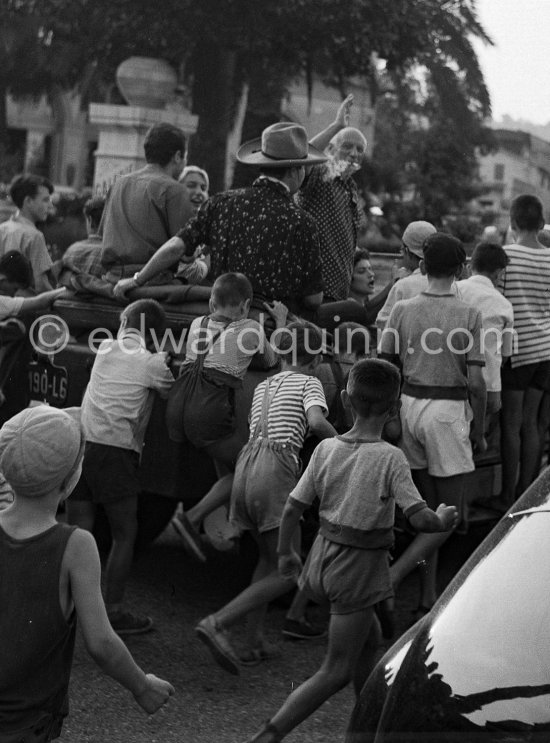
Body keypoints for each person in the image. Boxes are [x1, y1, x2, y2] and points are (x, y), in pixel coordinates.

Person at [243, 359, 458, 743]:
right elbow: (419, 518)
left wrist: (286, 554)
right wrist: (442, 519)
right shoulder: (391, 458)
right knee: (336, 669)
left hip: (322, 560)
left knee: (370, 639)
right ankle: (266, 735)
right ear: (395, 410)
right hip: (358, 570)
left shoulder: (326, 448)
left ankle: (365, 730)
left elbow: (293, 507)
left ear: (343, 400)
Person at [0, 406, 174, 742]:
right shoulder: (75, 546)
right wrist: (142, 686)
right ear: (71, 478)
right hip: (26, 722)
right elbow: (101, 642)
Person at [195, 322, 337, 674]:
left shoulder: (264, 385)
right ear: (316, 357)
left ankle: (253, 641)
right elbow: (317, 423)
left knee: (267, 558)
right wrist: (344, 444)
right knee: (290, 570)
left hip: (244, 467)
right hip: (275, 469)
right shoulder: (310, 381)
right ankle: (218, 622)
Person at [113, 122, 326, 315]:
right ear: (297, 170)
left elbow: (176, 246)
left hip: (218, 315)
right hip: (267, 322)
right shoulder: (303, 222)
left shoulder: (221, 202)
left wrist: (136, 280)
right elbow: (314, 298)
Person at [379, 233, 487, 615]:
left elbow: (386, 366)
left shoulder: (402, 309)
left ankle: (427, 597)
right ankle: (390, 581)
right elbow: (476, 382)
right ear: (461, 270)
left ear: (422, 267)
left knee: (427, 512)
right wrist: (481, 428)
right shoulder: (471, 314)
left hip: (409, 407)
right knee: (448, 515)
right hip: (448, 412)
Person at [67, 299, 174, 635]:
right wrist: (165, 358)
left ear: (124, 320)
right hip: (116, 452)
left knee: (78, 533)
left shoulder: (105, 348)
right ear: (155, 334)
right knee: (124, 535)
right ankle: (112, 612)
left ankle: (68, 608)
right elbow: (168, 387)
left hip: (82, 446)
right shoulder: (153, 362)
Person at [169, 273, 285, 562]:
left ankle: (233, 525)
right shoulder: (251, 330)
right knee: (246, 471)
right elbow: (274, 362)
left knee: (230, 457)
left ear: (211, 302)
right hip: (208, 415)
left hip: (179, 410)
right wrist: (280, 323)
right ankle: (190, 518)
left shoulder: (199, 323)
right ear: (246, 306)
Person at [497, 194, 550, 505]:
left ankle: (506, 496)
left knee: (511, 424)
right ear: (541, 223)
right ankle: (526, 494)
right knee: (533, 422)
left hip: (518, 351)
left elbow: (499, 302)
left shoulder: (506, 256)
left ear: (513, 223)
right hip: (547, 351)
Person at [100, 122, 194, 284]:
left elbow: (102, 235)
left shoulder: (118, 184)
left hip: (112, 277)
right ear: (178, 156)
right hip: (152, 280)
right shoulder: (175, 190)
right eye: (185, 158)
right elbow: (183, 251)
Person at [297, 94, 366, 302]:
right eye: (347, 146)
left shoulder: (350, 186)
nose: (354, 153)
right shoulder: (321, 174)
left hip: (339, 292)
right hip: (315, 292)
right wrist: (337, 126)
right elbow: (302, 156)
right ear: (330, 150)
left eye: (359, 149)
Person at [457, 242, 514, 415]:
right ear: (499, 273)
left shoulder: (454, 290)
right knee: (486, 435)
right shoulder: (504, 305)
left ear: (469, 266)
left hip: (452, 383)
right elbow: (505, 355)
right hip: (489, 387)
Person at [375, 220, 437, 330]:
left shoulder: (403, 285)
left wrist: (396, 282)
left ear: (407, 251)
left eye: (402, 249)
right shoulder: (450, 282)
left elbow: (383, 323)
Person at [314, 248, 394, 332]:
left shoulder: (371, 307)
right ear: (348, 278)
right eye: (361, 271)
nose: (371, 274)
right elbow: (365, 315)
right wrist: (391, 286)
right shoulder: (346, 311)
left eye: (370, 269)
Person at [0, 174, 55, 292]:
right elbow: (41, 285)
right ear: (28, 201)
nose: (50, 205)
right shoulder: (34, 236)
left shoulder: (2, 228)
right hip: (27, 305)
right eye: (45, 200)